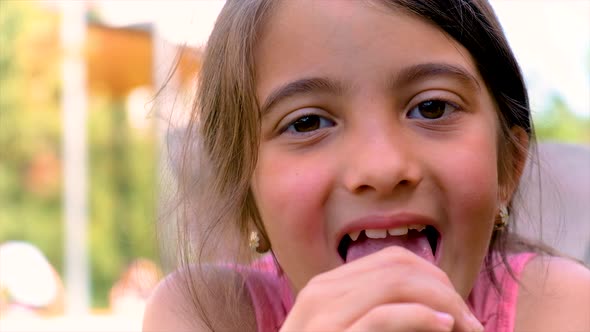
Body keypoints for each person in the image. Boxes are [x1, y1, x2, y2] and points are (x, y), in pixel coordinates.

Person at [143, 1, 590, 331]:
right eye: (307, 122)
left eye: (432, 108)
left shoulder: (562, 307)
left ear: (509, 167)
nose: (381, 168)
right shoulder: (205, 316)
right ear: (248, 199)